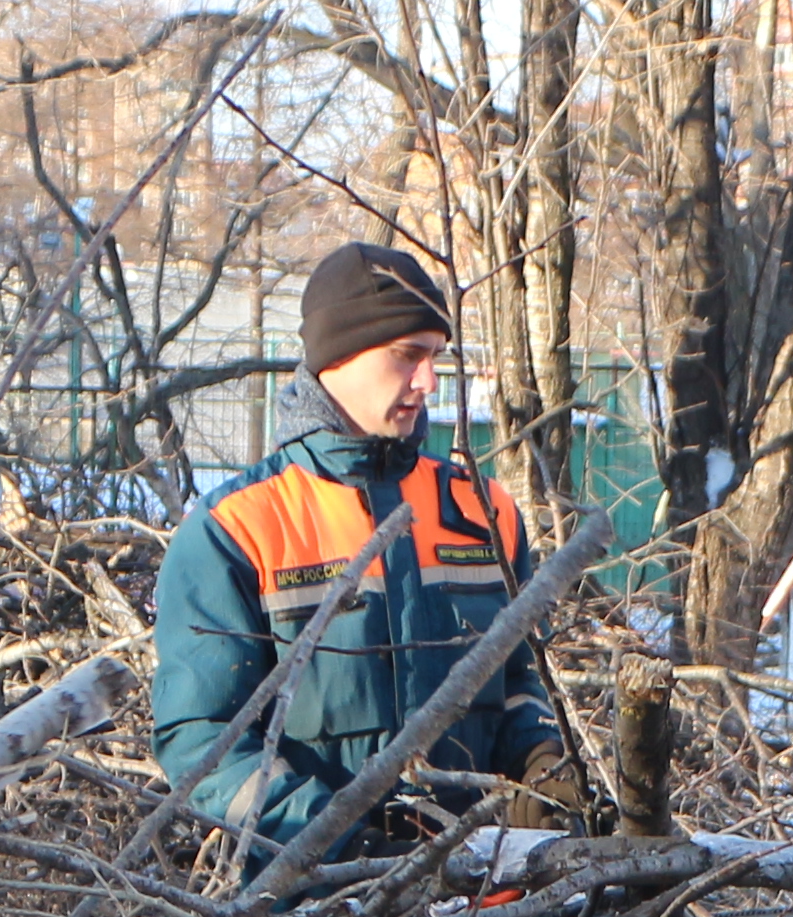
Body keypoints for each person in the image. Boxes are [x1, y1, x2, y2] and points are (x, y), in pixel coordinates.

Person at [152, 241, 580, 856]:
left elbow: (517, 686)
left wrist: (544, 768)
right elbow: (203, 746)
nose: (428, 380)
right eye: (407, 356)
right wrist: (340, 843)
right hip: (309, 915)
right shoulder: (234, 529)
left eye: (435, 357)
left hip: (485, 896)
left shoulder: (485, 514)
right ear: (339, 356)